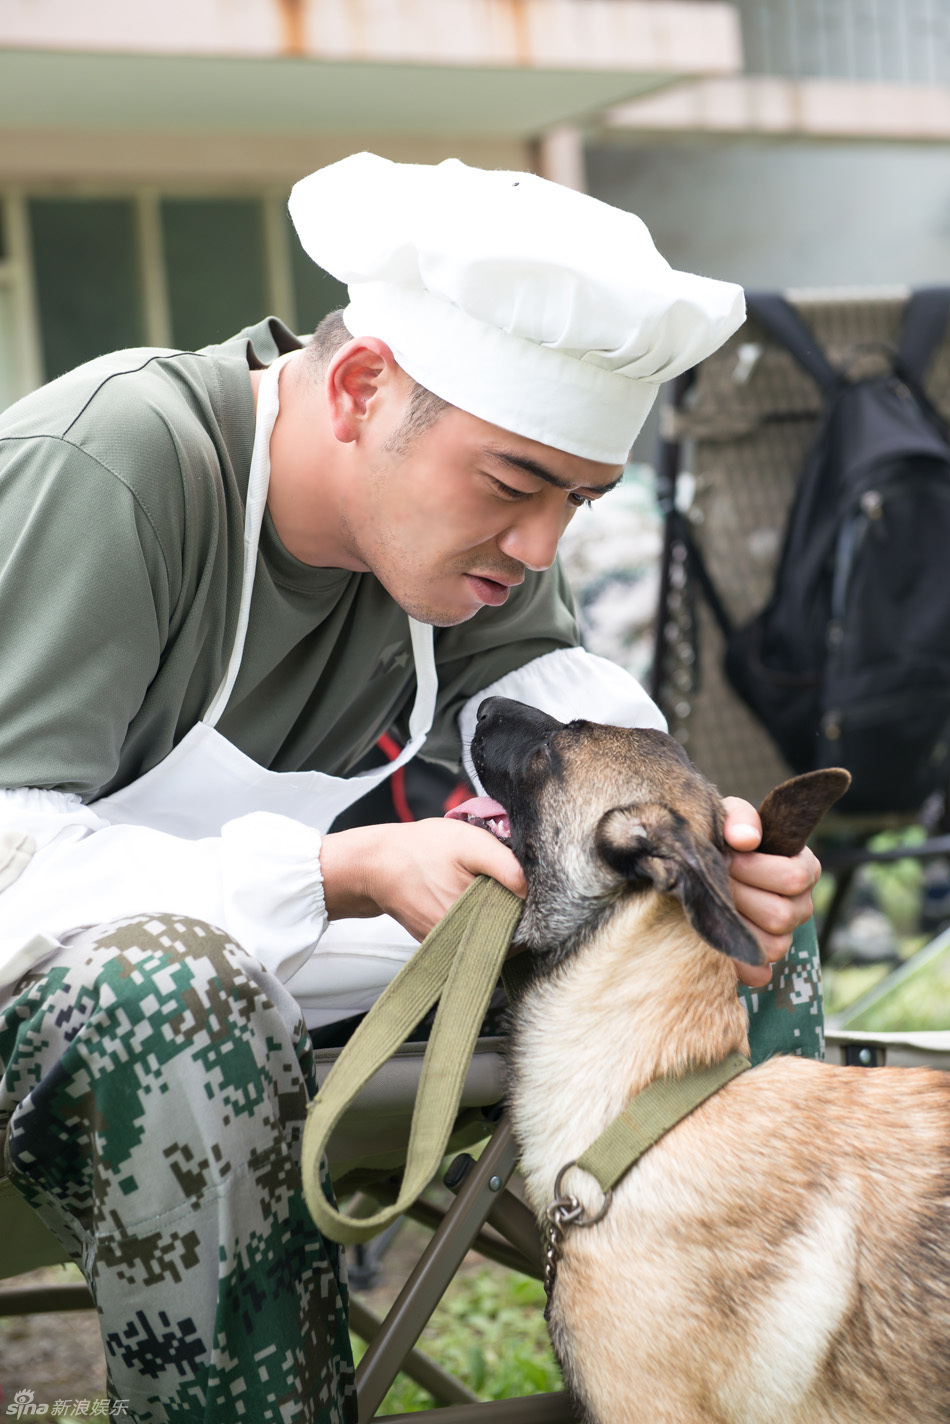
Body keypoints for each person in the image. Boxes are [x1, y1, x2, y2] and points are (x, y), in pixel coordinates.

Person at [0, 154, 819, 1423]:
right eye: (510, 483)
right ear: (360, 387)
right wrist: (336, 871)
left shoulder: (471, 553)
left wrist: (699, 852)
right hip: (84, 994)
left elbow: (559, 710)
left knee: (718, 938)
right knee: (176, 981)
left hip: (256, 971)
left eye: (577, 497)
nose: (543, 544)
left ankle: (757, 1379)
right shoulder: (122, 462)